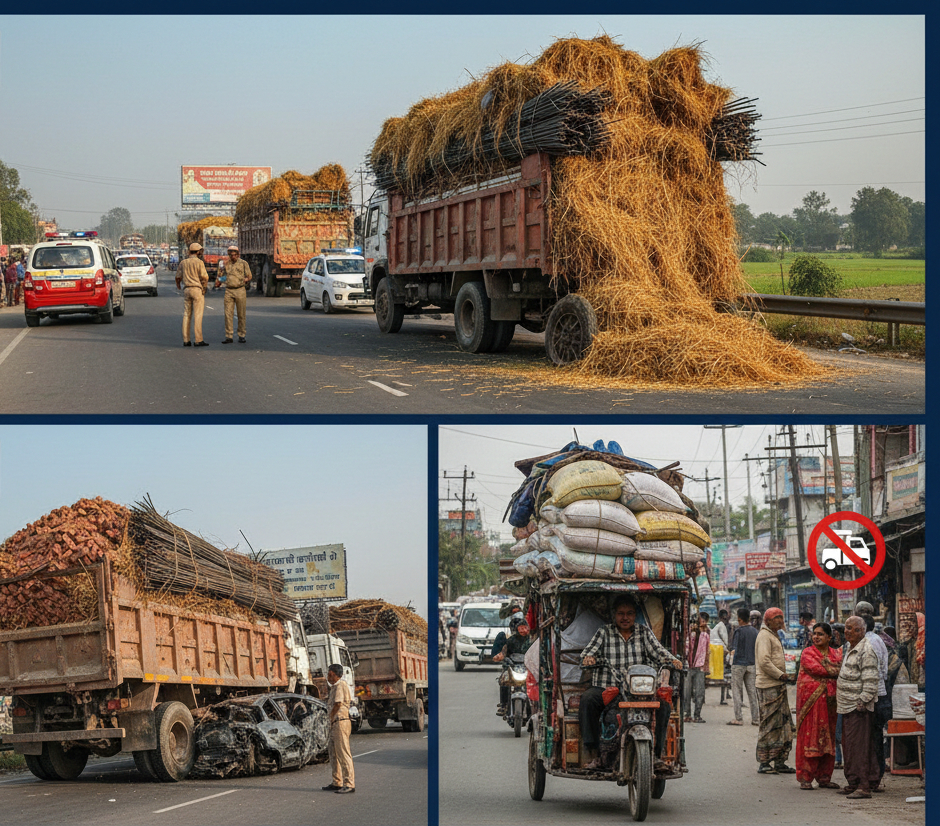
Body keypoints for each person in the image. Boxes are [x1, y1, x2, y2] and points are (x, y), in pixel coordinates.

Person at [579, 596, 682, 770]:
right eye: (621, 613)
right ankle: (593, 751)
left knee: (664, 705)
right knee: (588, 699)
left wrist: (674, 661)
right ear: (614, 615)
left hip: (640, 690)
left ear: (635, 615)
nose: (625, 618)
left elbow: (659, 652)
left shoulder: (643, 632)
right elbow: (587, 653)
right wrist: (589, 658)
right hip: (608, 688)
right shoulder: (604, 632)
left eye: (629, 613)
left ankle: (656, 755)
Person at [836, 616, 880, 799]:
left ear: (860, 631)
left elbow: (871, 680)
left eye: (850, 628)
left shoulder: (866, 650)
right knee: (850, 747)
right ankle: (853, 782)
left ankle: (864, 786)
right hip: (846, 705)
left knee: (860, 748)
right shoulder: (850, 647)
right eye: (846, 628)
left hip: (858, 707)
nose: (846, 631)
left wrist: (862, 701)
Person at [795, 622, 843, 790]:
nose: (816, 637)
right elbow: (822, 670)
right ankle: (805, 777)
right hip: (811, 704)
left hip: (830, 703)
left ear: (829, 637)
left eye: (821, 634)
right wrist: (836, 669)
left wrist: (836, 669)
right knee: (811, 738)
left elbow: (835, 668)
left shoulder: (836, 654)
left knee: (829, 739)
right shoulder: (807, 653)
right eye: (815, 633)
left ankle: (824, 777)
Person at [755, 606, 796, 774]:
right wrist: (781, 675)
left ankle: (780, 760)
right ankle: (764, 761)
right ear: (768, 621)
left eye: (781, 617)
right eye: (776, 617)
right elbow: (764, 661)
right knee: (770, 724)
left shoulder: (773, 634)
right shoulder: (765, 636)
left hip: (777, 685)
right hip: (769, 686)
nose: (780, 620)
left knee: (783, 723)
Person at [861, 614, 890, 789]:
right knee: (875, 736)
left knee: (870, 736)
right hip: (879, 692)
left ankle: (872, 776)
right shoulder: (878, 639)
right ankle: (874, 775)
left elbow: (873, 672)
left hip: (873, 694)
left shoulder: (868, 642)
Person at [322, 663, 355, 794]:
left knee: (343, 754)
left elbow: (338, 703)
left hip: (340, 722)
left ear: (337, 675)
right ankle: (337, 781)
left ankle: (349, 783)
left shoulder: (340, 685)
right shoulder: (335, 687)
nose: (329, 678)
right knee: (333, 753)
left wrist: (330, 717)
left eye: (331, 675)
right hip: (335, 723)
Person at [492, 615, 534, 714]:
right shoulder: (511, 640)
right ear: (517, 629)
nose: (523, 630)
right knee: (504, 680)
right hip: (513, 666)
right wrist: (500, 657)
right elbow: (504, 652)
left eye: (525, 627)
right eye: (521, 628)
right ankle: (503, 704)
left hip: (528, 667)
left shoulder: (532, 640)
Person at [728, 607, 760, 727]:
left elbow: (734, 648)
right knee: (752, 692)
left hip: (738, 664)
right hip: (751, 664)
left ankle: (739, 718)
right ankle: (756, 719)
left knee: (736, 690)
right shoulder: (755, 631)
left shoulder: (739, 631)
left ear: (740, 619)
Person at [175, 243, 210, 346]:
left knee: (186, 314)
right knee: (198, 316)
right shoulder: (199, 263)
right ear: (198, 252)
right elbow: (205, 277)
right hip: (197, 289)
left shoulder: (183, 262)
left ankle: (186, 340)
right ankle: (198, 340)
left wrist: (178, 285)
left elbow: (178, 277)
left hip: (187, 289)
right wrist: (204, 288)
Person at [221, 245, 252, 343]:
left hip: (240, 290)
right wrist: (220, 280)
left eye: (234, 255)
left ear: (238, 255)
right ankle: (229, 336)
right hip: (229, 290)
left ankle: (241, 334)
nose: (233, 257)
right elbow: (220, 275)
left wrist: (245, 280)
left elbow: (249, 276)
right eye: (231, 255)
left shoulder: (243, 263)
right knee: (228, 314)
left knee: (241, 314)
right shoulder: (226, 263)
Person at [683, 612, 710, 723]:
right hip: (690, 666)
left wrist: (706, 668)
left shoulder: (705, 635)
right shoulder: (689, 634)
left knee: (697, 692)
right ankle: (689, 714)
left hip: (698, 666)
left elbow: (706, 652)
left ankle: (694, 714)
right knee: (688, 692)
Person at [712, 609, 732, 705]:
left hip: (719, 652)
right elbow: (725, 641)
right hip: (720, 652)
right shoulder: (721, 626)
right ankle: (723, 698)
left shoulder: (720, 626)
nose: (725, 619)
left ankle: (724, 696)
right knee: (723, 676)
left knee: (724, 675)